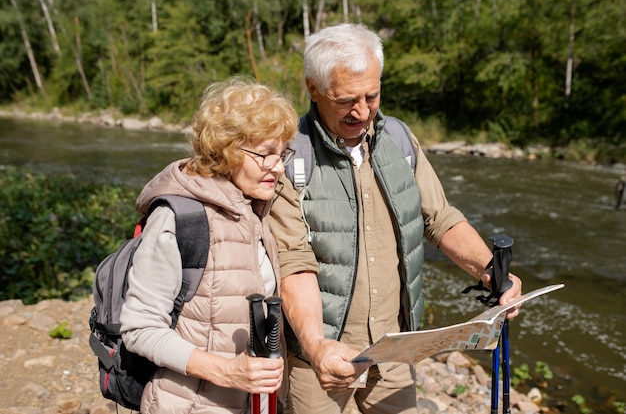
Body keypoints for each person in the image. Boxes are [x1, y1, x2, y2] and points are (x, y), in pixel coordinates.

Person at [268, 23, 524, 414]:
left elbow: (439, 218)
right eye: (345, 100)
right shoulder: (288, 157)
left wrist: (491, 270)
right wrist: (316, 344)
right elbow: (292, 263)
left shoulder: (399, 141)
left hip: (395, 352)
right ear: (313, 88)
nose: (362, 111)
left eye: (372, 95)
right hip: (318, 361)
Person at [120, 76, 298, 414]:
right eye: (265, 155)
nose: (277, 167)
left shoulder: (255, 210)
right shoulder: (179, 219)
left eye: (282, 154)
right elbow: (139, 328)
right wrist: (227, 372)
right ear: (226, 151)